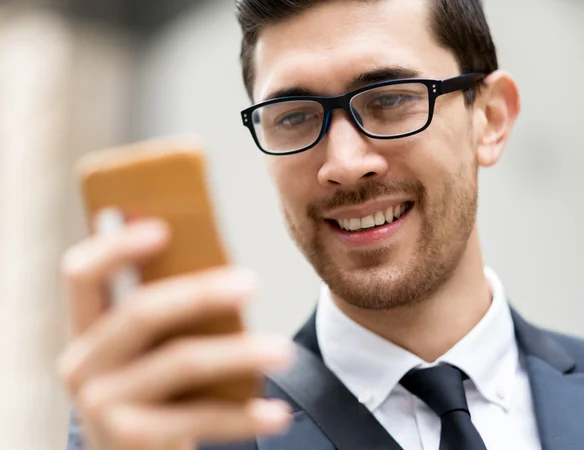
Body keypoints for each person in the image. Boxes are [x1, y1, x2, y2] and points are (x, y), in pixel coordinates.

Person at [60, 0, 584, 449]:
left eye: (391, 99)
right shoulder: (178, 436)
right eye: (294, 115)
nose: (344, 163)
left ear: (490, 119)